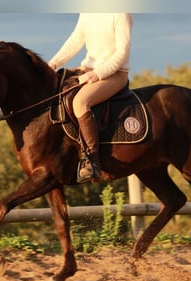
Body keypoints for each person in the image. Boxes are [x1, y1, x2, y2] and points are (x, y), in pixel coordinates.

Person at [49, 13, 133, 183]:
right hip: (87, 68)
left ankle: (92, 160)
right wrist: (53, 64)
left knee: (80, 102)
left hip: (114, 74)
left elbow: (122, 52)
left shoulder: (121, 14)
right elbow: (75, 40)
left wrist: (98, 74)